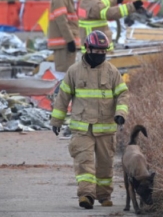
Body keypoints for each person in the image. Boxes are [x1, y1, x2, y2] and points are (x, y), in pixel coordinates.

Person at [50, 30, 130, 209]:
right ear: (87, 49)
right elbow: (63, 97)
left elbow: (123, 95)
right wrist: (56, 121)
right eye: (97, 51)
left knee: (105, 166)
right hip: (82, 129)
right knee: (84, 163)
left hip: (106, 129)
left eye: (103, 52)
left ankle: (104, 196)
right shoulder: (74, 71)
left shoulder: (111, 71)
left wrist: (121, 113)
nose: (100, 55)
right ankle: (86, 195)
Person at [78, 0, 143, 49]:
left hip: (89, 44)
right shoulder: (95, 5)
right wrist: (132, 6)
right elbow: (110, 13)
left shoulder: (84, 1)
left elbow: (100, 5)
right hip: (98, 47)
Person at [47, 0, 81, 72]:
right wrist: (70, 40)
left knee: (69, 74)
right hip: (64, 44)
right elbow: (61, 20)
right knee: (64, 74)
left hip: (66, 43)